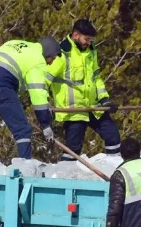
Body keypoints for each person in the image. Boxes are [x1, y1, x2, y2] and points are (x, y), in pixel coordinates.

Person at [0, 37, 60, 161]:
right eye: (52, 58)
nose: (51, 62)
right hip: (2, 84)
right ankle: (25, 169)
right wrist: (45, 124)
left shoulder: (17, 43)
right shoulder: (38, 60)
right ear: (48, 52)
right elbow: (38, 94)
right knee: (23, 130)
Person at [46, 19, 121, 162]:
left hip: (93, 106)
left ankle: (114, 170)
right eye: (86, 39)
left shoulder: (91, 51)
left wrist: (105, 99)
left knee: (113, 137)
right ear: (75, 35)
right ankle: (65, 176)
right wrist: (42, 104)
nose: (89, 42)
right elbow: (45, 80)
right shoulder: (62, 53)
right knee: (73, 149)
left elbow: (96, 78)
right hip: (74, 110)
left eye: (91, 40)